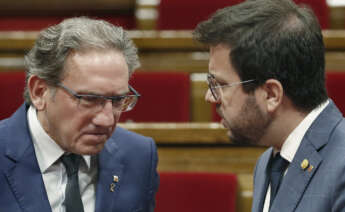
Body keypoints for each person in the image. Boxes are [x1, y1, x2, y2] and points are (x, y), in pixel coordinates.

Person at [194, 0, 345, 211]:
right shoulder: (268, 162)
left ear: (271, 94)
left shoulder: (341, 166)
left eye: (220, 84)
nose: (210, 97)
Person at [0, 17, 159, 212]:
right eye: (89, 99)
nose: (107, 120)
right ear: (40, 92)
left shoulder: (138, 155)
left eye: (118, 100)